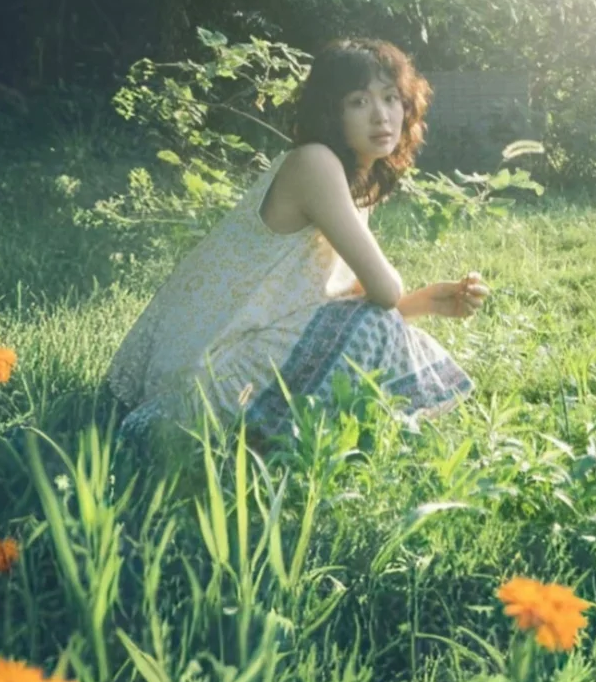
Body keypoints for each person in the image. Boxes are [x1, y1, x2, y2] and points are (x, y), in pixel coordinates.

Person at [106, 38, 488, 449]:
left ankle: (317, 444)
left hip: (217, 375)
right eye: (358, 102)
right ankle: (341, 444)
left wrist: (428, 302)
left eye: (391, 98)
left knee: (379, 325)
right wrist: (401, 301)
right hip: (189, 395)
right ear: (331, 112)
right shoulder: (314, 163)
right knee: (376, 325)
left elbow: (344, 304)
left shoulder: (348, 179)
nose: (381, 116)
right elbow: (383, 293)